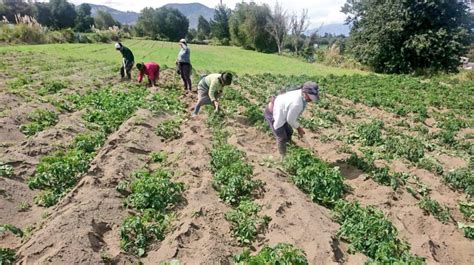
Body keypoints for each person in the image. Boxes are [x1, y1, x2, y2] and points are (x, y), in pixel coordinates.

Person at [264, 81, 320, 157]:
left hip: (283, 111)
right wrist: (299, 128)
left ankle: (289, 146)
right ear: (305, 93)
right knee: (282, 137)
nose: (311, 100)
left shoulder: (300, 94)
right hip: (274, 113)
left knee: (289, 131)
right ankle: (283, 157)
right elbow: (290, 120)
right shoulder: (297, 103)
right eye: (310, 97)